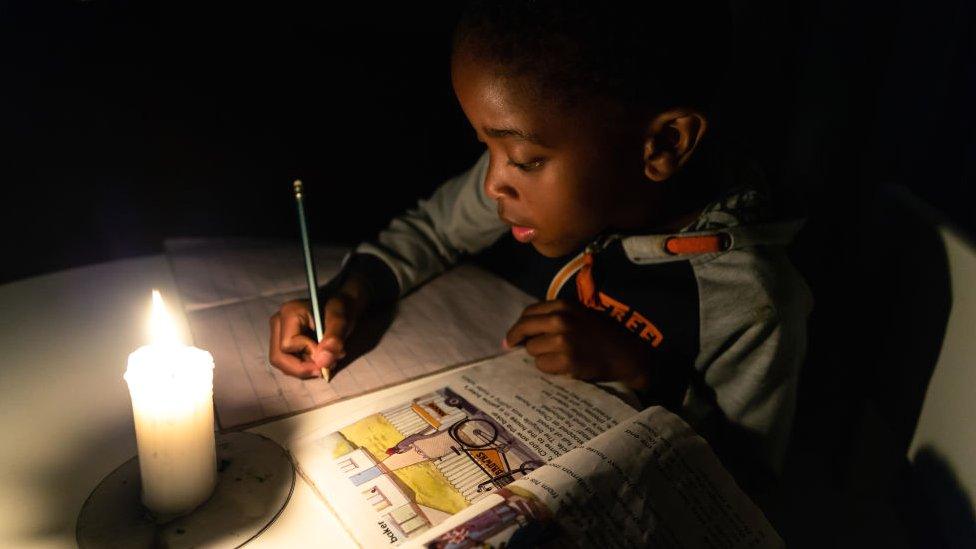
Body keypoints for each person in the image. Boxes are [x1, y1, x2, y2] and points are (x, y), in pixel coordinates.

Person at [269, 0, 812, 478]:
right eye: (487, 147)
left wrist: (646, 376)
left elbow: (747, 483)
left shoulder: (753, 303)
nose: (491, 183)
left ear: (663, 144)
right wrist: (352, 292)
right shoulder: (535, 184)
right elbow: (433, 230)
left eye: (525, 160)